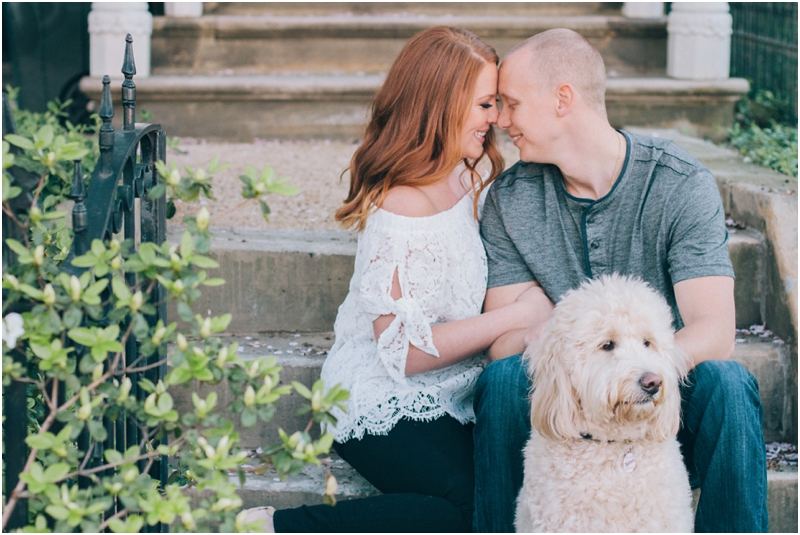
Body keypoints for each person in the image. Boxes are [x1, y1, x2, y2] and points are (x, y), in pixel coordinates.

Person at [245, 26, 552, 533]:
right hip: (381, 395)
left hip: (453, 390)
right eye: (483, 104)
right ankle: (275, 527)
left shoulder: (470, 176)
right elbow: (402, 352)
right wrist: (517, 315)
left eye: (495, 103)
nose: (495, 118)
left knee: (508, 494)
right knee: (470, 511)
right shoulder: (401, 205)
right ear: (441, 106)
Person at [473, 28, 768, 533]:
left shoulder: (679, 183)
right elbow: (504, 340)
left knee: (730, 382)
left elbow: (714, 330)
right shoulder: (511, 199)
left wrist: (637, 369)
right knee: (503, 382)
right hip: (562, 410)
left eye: (511, 104)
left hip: (662, 405)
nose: (500, 120)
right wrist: (565, 357)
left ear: (563, 99)